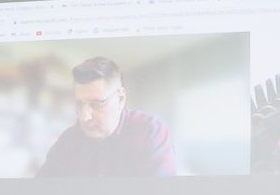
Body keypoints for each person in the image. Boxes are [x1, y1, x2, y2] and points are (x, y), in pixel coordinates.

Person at [37, 56, 176, 178]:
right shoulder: (67, 141)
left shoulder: (150, 131)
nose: (84, 117)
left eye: (97, 104)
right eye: (79, 104)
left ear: (120, 99)